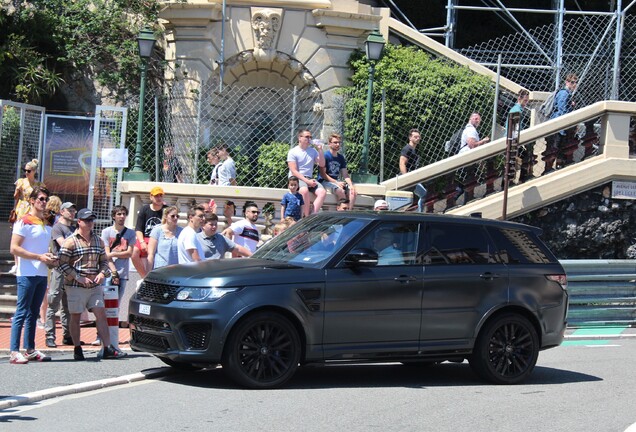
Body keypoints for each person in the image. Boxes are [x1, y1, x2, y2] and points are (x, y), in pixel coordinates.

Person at [57, 208, 126, 361]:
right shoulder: (70, 241)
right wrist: (78, 277)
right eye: (87, 220)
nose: (90, 223)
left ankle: (107, 347)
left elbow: (105, 261)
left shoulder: (98, 240)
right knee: (75, 316)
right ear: (79, 222)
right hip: (75, 286)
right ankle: (77, 348)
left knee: (100, 313)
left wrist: (102, 274)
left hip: (94, 285)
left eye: (92, 220)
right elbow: (61, 264)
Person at [9, 186, 57, 364]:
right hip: (27, 273)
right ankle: (14, 350)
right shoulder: (23, 222)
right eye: (41, 199)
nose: (44, 202)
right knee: (21, 311)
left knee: (34, 312)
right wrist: (38, 257)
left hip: (41, 273)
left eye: (46, 199)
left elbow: (44, 249)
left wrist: (50, 258)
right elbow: (14, 248)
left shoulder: (46, 224)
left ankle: (29, 348)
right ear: (32, 200)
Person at [44, 201, 77, 348]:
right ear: (62, 211)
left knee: (68, 305)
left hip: (71, 269)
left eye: (74, 211)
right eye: (69, 210)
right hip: (59, 269)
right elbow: (64, 244)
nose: (72, 213)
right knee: (53, 303)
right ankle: (49, 336)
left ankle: (67, 335)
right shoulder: (57, 227)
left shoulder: (74, 228)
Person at [10, 159, 45, 275]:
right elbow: (15, 197)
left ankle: (30, 259)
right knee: (18, 235)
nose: (26, 172)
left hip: (33, 209)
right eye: (25, 170)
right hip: (22, 208)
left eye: (29, 170)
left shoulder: (38, 184)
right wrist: (17, 191)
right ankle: (17, 264)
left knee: (30, 235)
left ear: (34, 171)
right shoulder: (21, 181)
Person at [101, 204, 136, 310]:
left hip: (123, 273)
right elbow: (107, 255)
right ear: (113, 216)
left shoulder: (130, 233)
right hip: (109, 272)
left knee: (117, 303)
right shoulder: (106, 232)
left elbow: (129, 253)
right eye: (119, 214)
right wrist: (114, 272)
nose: (122, 216)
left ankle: (113, 325)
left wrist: (113, 253)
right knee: (106, 302)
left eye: (124, 214)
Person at [287, 129, 326, 217]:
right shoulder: (293, 151)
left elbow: (322, 164)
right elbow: (294, 171)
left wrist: (320, 150)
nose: (309, 139)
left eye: (310, 137)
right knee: (304, 191)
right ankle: (306, 216)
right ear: (300, 138)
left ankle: (312, 215)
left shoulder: (313, 151)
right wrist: (307, 181)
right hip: (296, 178)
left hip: (308, 178)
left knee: (322, 192)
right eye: (307, 137)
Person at [132, 186, 167, 278]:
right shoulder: (145, 209)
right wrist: (142, 242)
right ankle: (144, 277)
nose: (159, 198)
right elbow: (138, 229)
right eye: (156, 196)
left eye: (160, 196)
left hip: (160, 238)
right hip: (146, 238)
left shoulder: (166, 210)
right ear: (151, 197)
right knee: (134, 251)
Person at [318, 132, 357, 210]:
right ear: (329, 143)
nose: (338, 144)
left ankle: (349, 212)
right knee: (341, 191)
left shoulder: (340, 157)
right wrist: (336, 182)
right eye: (335, 142)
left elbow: (345, 174)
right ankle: (341, 211)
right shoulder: (326, 156)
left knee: (353, 192)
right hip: (325, 181)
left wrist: (351, 185)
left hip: (336, 181)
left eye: (339, 142)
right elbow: (323, 174)